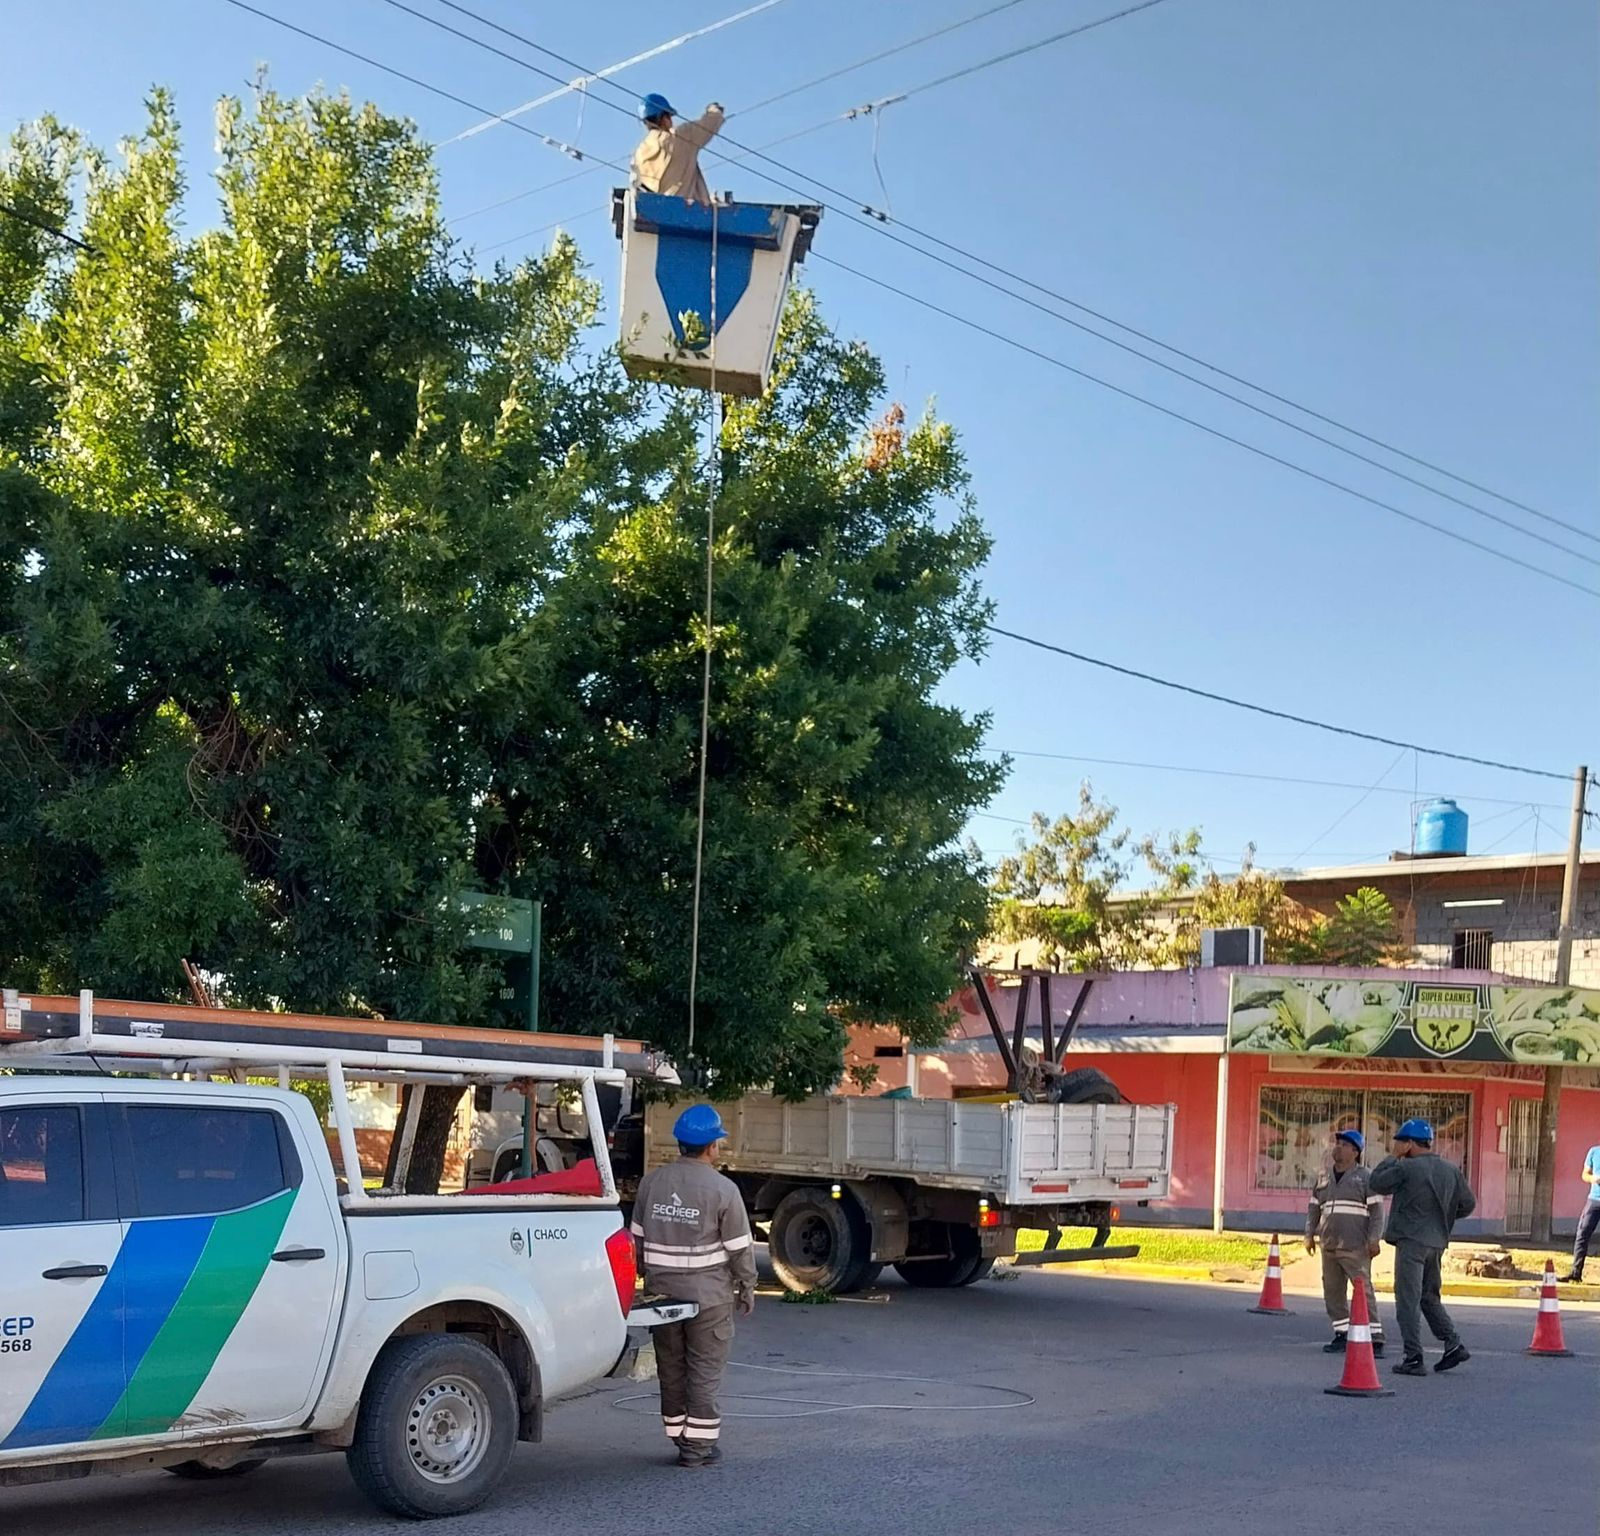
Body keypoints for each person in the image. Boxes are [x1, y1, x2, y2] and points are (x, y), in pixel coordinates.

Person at [631, 1104, 755, 1467]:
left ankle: (678, 1435)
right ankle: (697, 1447)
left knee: (671, 1369)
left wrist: (644, 1281)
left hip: (661, 1297)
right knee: (703, 1372)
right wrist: (747, 1286)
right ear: (712, 1146)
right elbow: (739, 1248)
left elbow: (636, 1241)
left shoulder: (651, 1183)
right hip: (709, 1300)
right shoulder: (724, 1190)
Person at [1369, 1118, 1475, 1377]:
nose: (1397, 1146)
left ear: (1409, 1144)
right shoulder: (1450, 1170)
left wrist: (1393, 1157)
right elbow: (1468, 1204)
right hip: (1436, 1242)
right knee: (1429, 1296)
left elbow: (1377, 1182)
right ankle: (1453, 1342)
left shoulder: (1406, 1167)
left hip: (1411, 1242)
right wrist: (1442, 1218)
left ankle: (1413, 1357)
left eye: (1400, 1142)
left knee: (1408, 1299)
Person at [1305, 1128, 1386, 1356]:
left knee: (1363, 1290)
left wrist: (1374, 1239)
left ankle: (1375, 1337)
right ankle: (1341, 1333)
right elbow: (1314, 1208)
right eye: (1337, 1144)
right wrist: (1309, 1235)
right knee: (1332, 1291)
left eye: (1344, 1145)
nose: (1337, 1148)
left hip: (1355, 1246)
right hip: (1329, 1244)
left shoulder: (1366, 1178)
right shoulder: (1323, 1177)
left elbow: (1377, 1213)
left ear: (1355, 1152)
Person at [632, 91, 725, 205]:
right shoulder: (680, 137)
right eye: (669, 116)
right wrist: (715, 110)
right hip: (683, 209)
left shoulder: (639, 152)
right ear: (663, 117)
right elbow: (708, 125)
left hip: (655, 210)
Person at [1557, 1140, 1600, 1282]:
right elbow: (1584, 1175)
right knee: (1582, 1234)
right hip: (1594, 1200)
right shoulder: (1594, 1151)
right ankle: (1576, 1273)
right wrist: (1593, 1178)